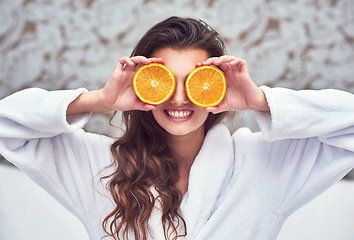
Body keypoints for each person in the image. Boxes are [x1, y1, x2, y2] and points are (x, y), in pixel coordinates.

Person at [0, 16, 354, 240]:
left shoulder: (264, 164)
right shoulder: (100, 166)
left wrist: (260, 99)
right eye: (165, 81)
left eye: (196, 82)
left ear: (217, 85)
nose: (180, 99)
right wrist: (99, 100)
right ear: (144, 83)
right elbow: (7, 126)